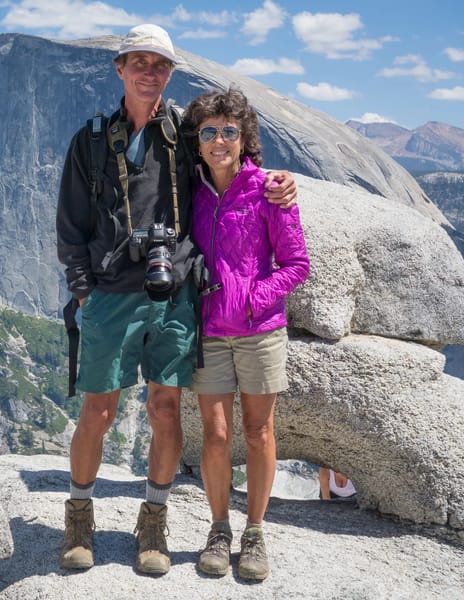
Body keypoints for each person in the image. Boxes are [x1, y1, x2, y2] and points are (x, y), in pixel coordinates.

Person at [56, 24, 297, 575]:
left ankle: (153, 524)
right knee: (98, 411)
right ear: (120, 69)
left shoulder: (184, 136)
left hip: (173, 294)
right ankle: (78, 519)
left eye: (160, 64)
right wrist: (84, 293)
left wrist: (279, 182)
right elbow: (70, 224)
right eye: (138, 62)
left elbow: (229, 161)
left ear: (169, 73)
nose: (149, 72)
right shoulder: (90, 141)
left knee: (165, 410)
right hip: (110, 294)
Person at [181, 87, 310, 581]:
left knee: (258, 432)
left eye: (228, 131)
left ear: (244, 138)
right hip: (210, 330)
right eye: (209, 131)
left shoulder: (269, 190)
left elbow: (296, 264)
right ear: (198, 141)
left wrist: (255, 299)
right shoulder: (189, 191)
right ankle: (219, 529)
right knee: (216, 434)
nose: (219, 140)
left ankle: (254, 533)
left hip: (260, 330)